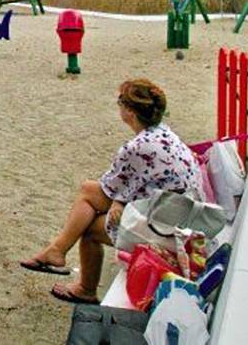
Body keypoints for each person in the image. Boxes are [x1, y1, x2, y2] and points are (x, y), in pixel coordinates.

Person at [19, 79, 204, 305]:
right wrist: (119, 201)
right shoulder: (165, 134)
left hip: (165, 231)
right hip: (178, 216)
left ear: (129, 111)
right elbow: (129, 186)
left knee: (87, 221)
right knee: (88, 195)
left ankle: (79, 280)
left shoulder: (137, 147)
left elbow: (111, 185)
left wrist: (119, 201)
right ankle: (57, 252)